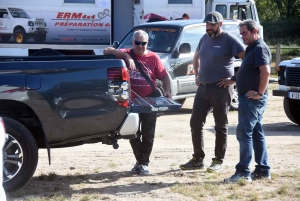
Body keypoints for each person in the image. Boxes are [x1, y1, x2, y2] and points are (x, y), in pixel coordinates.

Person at [179, 11, 245, 172]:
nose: (209, 27)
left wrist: (234, 79)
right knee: (195, 122)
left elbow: (247, 59)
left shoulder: (229, 39)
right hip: (203, 88)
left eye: (212, 24)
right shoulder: (204, 38)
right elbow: (196, 56)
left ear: (220, 24)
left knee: (220, 125)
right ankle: (198, 158)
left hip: (221, 89)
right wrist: (197, 74)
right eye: (207, 24)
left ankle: (218, 160)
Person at [103, 30, 171, 175]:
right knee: (132, 132)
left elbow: (165, 77)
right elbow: (106, 51)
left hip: (149, 99)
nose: (140, 46)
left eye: (143, 43)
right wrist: (126, 56)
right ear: (133, 42)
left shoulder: (153, 57)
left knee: (148, 133)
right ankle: (140, 161)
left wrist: (167, 92)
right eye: (137, 43)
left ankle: (143, 163)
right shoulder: (126, 52)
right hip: (131, 100)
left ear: (147, 43)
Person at [224, 19, 271, 183]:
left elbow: (265, 72)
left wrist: (259, 93)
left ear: (255, 31)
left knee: (244, 133)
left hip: (251, 100)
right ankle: (263, 170)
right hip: (249, 98)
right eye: (241, 33)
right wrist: (233, 79)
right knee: (256, 133)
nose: (242, 36)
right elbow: (247, 70)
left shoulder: (259, 48)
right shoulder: (251, 48)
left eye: (245, 33)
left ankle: (243, 171)